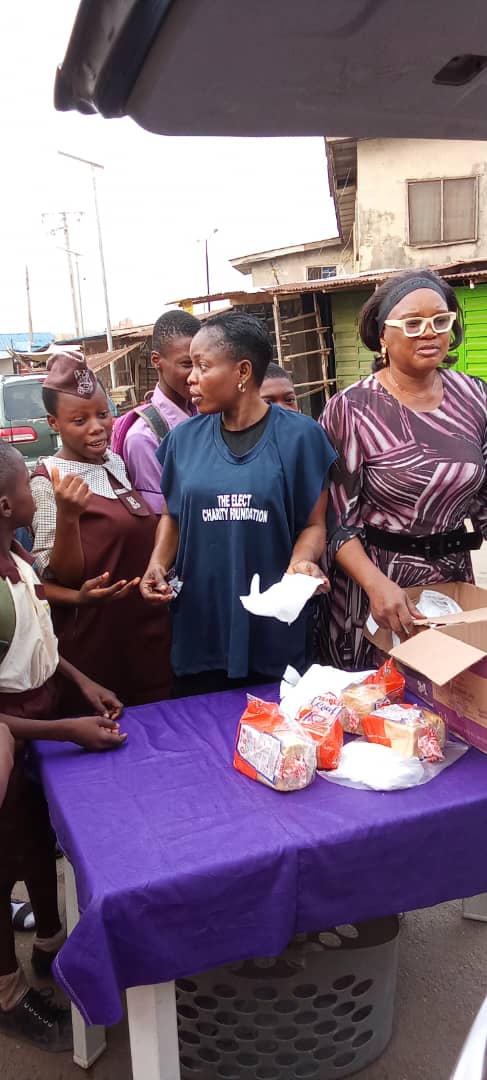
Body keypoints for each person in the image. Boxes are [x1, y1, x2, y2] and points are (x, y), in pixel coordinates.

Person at [0, 441, 126, 1052]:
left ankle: (50, 942)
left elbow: (38, 627)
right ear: (6, 505)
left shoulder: (15, 553)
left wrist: (81, 682)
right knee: (3, 861)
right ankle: (7, 993)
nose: (37, 492)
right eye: (28, 486)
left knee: (37, 840)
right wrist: (66, 731)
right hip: (15, 731)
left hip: (43, 709)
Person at [140, 312, 336, 695]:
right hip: (202, 624)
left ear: (242, 371)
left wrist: (301, 563)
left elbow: (314, 524)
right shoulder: (183, 440)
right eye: (190, 365)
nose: (191, 378)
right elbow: (172, 516)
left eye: (203, 366)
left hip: (273, 626)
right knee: (203, 723)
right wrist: (157, 564)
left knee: (274, 724)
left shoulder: (301, 438)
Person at [317, 269, 487, 670]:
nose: (429, 332)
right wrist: (376, 585)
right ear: (383, 335)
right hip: (375, 589)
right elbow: (336, 520)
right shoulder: (352, 408)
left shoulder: (475, 397)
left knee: (450, 694)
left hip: (451, 588)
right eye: (412, 323)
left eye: (440, 321)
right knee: (375, 698)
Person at [30, 353, 172, 706]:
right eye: (79, 420)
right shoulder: (48, 482)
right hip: (96, 646)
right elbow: (60, 577)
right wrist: (68, 516)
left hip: (145, 635)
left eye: (103, 415)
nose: (96, 427)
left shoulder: (115, 463)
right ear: (53, 423)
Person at [121, 310, 201, 512]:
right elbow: (160, 516)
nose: (196, 375)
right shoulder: (144, 437)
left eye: (202, 364)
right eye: (187, 364)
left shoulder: (205, 413)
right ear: (156, 360)